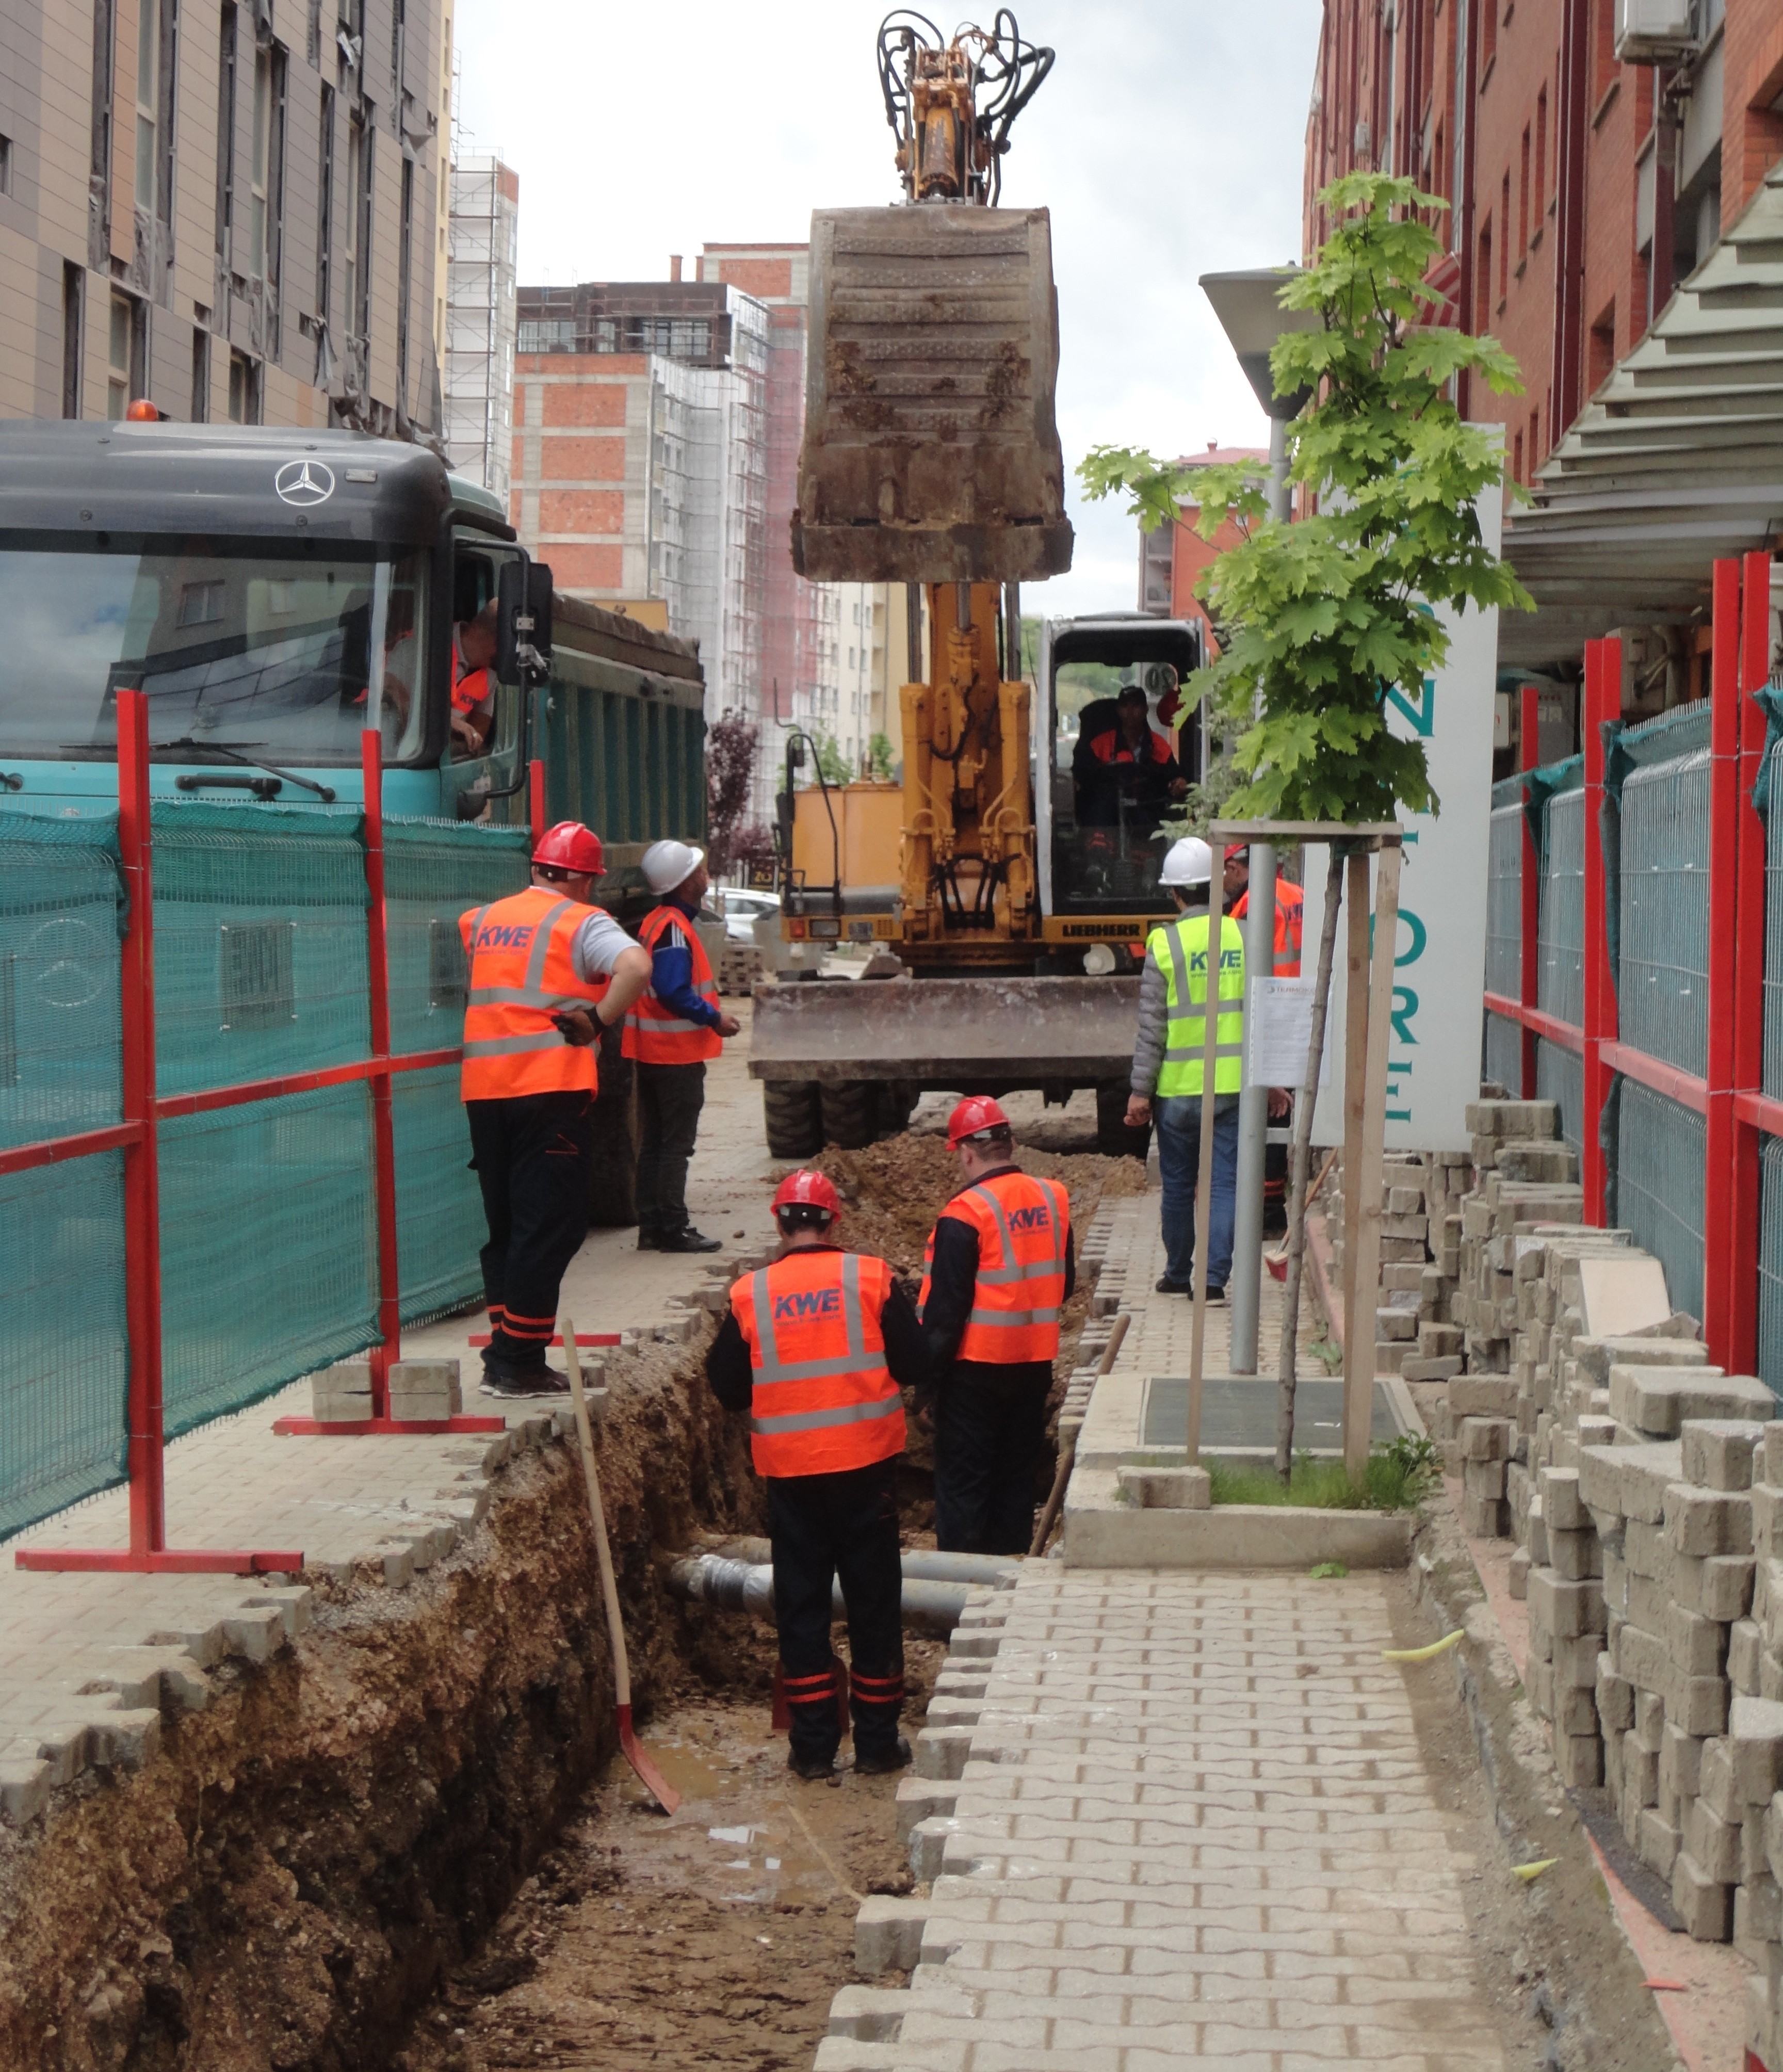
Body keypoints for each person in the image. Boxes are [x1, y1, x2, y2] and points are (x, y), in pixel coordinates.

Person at [705, 1169, 931, 1780]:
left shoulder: (750, 1294)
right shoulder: (870, 1277)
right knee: (874, 1604)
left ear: (781, 1223)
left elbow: (726, 1385)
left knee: (802, 1608)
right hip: (866, 1470)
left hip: (794, 1477)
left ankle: (813, 1749)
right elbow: (913, 1361)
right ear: (834, 1221)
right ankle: (879, 1744)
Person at [459, 821, 652, 1398]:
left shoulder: (483, 920)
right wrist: (598, 1019)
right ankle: (517, 1359)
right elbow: (637, 968)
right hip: (547, 1089)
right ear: (582, 879)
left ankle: (506, 1354)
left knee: (510, 1226)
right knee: (554, 1224)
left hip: (484, 1090)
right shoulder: (582, 921)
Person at [919, 1097, 1074, 1556]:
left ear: (967, 1152)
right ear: (1010, 1144)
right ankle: (1009, 1590)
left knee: (965, 1488)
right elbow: (1063, 1286)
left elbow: (944, 1315)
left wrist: (926, 1389)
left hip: (974, 1374)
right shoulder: (1053, 1196)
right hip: (1033, 1364)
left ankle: (961, 1600)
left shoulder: (965, 1213)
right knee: (1014, 1480)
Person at [1126, 837, 1245, 1299]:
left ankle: (1178, 1274)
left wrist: (1140, 1093)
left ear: (1175, 894)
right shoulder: (1242, 935)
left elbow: (1152, 1029)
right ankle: (1213, 1282)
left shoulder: (1164, 943)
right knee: (1222, 1185)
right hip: (1232, 1089)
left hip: (1176, 1092)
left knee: (1177, 1185)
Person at [623, 840, 741, 1254]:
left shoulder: (658, 920)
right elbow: (673, 990)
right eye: (700, 870)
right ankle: (672, 1227)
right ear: (688, 882)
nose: (706, 874)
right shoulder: (674, 928)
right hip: (676, 1057)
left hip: (653, 1053)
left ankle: (653, 1227)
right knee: (675, 1145)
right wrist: (715, 1019)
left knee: (655, 1143)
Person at [1224, 844, 1305, 976]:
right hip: (1306, 987)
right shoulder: (1298, 893)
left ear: (1234, 869)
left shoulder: (1251, 905)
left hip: (1272, 990)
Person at [450, 599, 500, 756]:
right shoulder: (426, 643)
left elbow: (476, 740)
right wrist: (451, 724)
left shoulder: (490, 675)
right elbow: (400, 706)